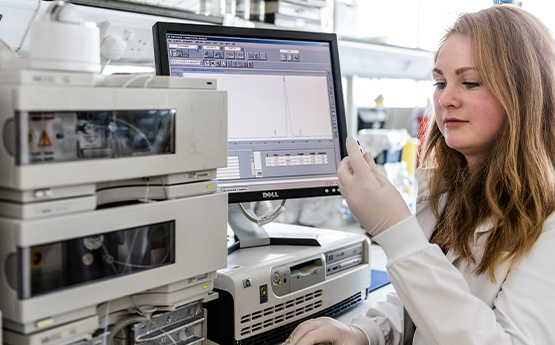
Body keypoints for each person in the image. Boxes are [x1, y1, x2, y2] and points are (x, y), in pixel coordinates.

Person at [286, 4, 555, 345]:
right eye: (440, 82)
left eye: (469, 82)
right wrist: (364, 332)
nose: (446, 99)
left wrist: (396, 231)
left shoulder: (549, 220)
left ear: (525, 92)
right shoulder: (450, 189)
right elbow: (419, 301)